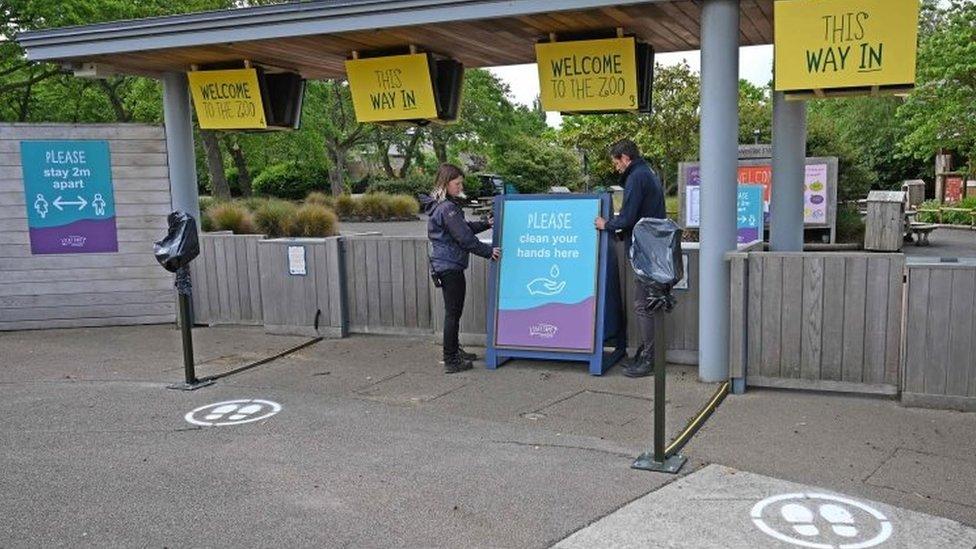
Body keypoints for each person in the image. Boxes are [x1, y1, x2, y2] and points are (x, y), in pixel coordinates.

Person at [594, 139, 666, 377]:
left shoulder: (636, 177)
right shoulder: (647, 173)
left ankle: (649, 359)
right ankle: (646, 354)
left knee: (642, 304)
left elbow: (627, 218)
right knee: (646, 303)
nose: (616, 168)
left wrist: (607, 224)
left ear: (625, 157)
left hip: (644, 250)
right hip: (652, 247)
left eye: (616, 162)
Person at [420, 164, 501, 374]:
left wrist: (486, 223)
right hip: (449, 266)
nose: (460, 186)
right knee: (453, 313)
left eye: (461, 183)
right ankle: (451, 359)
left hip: (445, 264)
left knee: (453, 312)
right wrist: (488, 251)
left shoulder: (444, 206)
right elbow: (464, 238)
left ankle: (454, 350)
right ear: (445, 183)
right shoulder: (447, 208)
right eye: (457, 183)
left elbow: (463, 228)